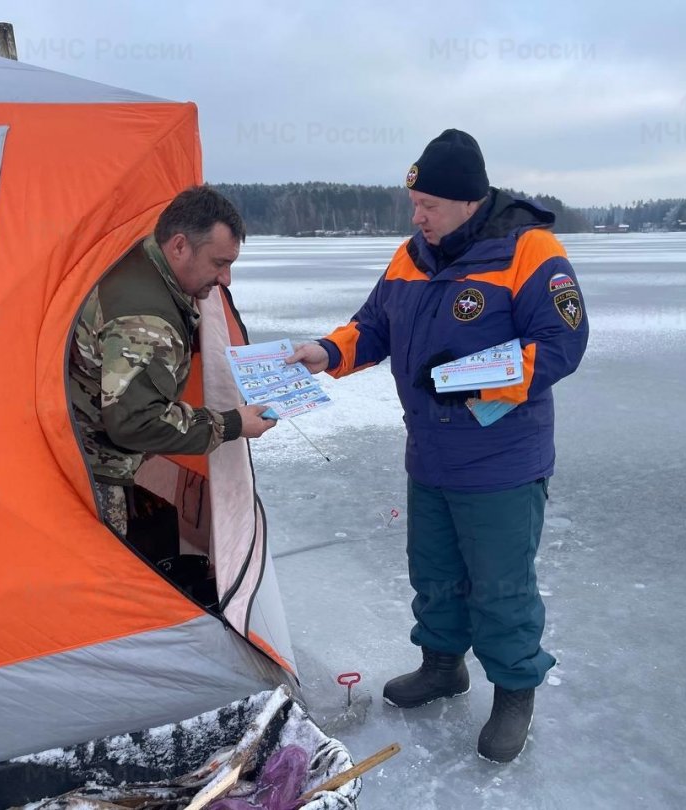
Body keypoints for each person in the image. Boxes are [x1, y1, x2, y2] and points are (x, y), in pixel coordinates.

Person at [287, 130, 588, 763]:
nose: (416, 216)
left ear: (468, 200)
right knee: (436, 574)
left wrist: (467, 377)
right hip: (429, 455)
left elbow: (562, 343)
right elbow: (374, 325)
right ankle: (443, 665)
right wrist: (328, 352)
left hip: (502, 461)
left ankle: (514, 690)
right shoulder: (411, 255)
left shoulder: (530, 251)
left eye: (428, 204)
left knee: (501, 587)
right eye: (414, 202)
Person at [69, 185, 276, 538]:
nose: (225, 279)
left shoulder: (141, 264)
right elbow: (135, 423)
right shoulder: (147, 321)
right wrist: (231, 424)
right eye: (219, 263)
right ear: (179, 246)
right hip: (93, 472)